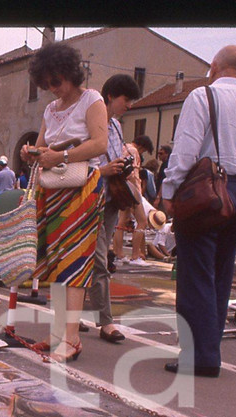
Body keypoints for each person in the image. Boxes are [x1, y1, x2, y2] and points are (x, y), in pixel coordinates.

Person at [159, 45, 236, 377]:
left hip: (206, 192)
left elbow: (185, 148)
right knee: (221, 273)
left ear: (213, 67)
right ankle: (209, 350)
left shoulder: (202, 97)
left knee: (195, 274)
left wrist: (169, 190)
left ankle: (199, 356)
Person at [19, 42, 109, 363]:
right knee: (58, 262)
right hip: (53, 188)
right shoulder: (50, 109)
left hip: (81, 187)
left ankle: (70, 338)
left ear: (70, 72)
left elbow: (100, 143)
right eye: (46, 84)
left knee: (76, 261)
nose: (52, 89)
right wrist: (31, 153)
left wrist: (63, 155)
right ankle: (60, 333)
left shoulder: (92, 99)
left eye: (55, 81)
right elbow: (42, 146)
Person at [93, 73, 142, 344]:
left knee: (97, 257)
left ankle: (74, 316)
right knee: (100, 258)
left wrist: (123, 165)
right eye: (127, 99)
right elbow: (80, 162)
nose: (130, 105)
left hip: (112, 196)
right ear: (111, 96)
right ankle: (106, 321)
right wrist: (103, 170)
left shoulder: (116, 125)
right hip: (91, 197)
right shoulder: (92, 122)